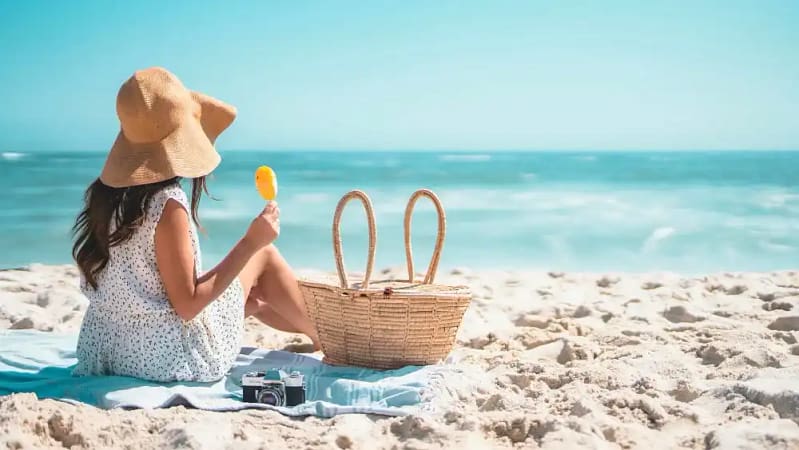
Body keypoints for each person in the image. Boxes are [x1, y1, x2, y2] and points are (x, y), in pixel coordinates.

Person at [71, 67, 319, 382]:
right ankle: (327, 340)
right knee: (263, 255)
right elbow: (187, 307)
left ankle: (266, 314)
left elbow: (151, 289)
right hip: (162, 358)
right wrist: (251, 242)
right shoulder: (166, 204)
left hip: (106, 352)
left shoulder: (104, 195)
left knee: (253, 297)